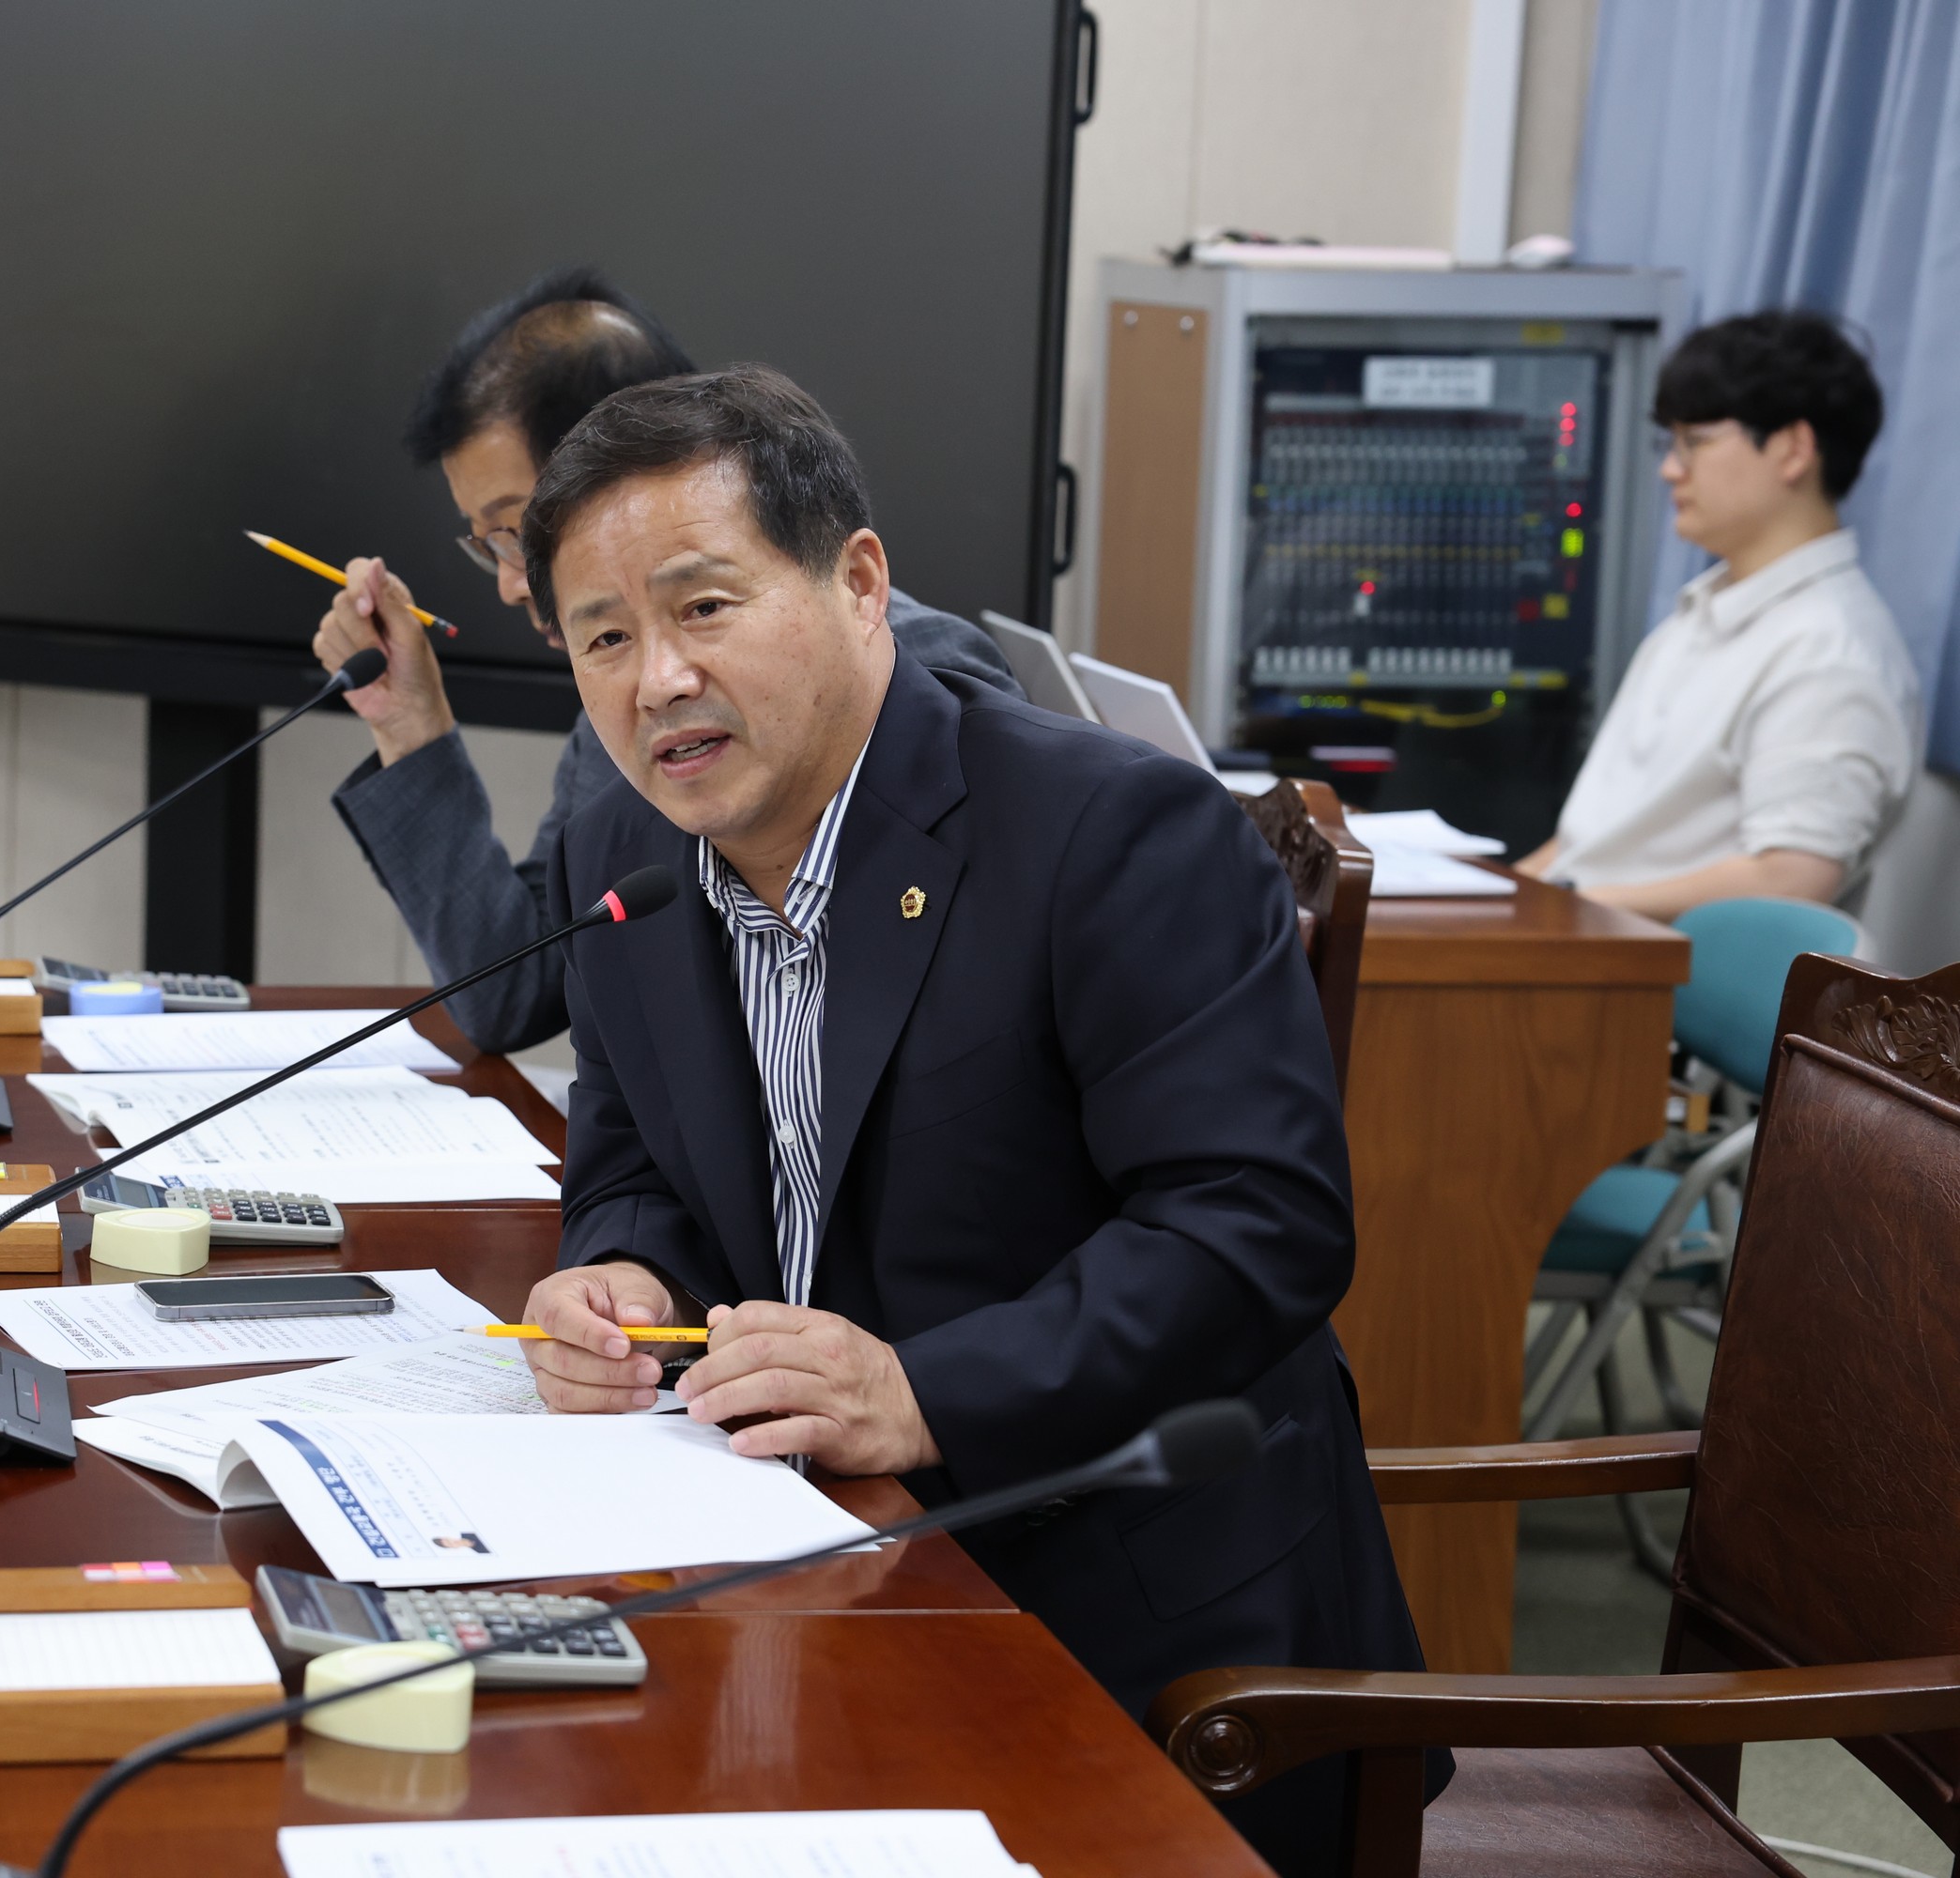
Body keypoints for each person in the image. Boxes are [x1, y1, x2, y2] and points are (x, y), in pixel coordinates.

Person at [513, 365, 1430, 1876]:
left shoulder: (1110, 830)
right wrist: (624, 1272)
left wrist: (922, 1392)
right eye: (604, 638)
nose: (657, 679)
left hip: (1130, 1624)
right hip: (809, 1567)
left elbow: (1255, 1227)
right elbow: (629, 1150)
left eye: (705, 608)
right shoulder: (627, 849)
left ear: (860, 583)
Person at [313, 269, 1017, 1055]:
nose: (512, 583)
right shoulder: (624, 696)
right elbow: (520, 988)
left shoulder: (921, 670)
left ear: (612, 463)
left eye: (515, 531)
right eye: (491, 545)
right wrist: (409, 724)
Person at [1519, 311, 1916, 918]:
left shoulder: (1827, 652)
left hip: (1648, 970)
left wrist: (1570, 908)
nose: (1670, 469)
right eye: (1670, 444)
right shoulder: (1699, 616)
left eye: (1695, 442)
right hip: (1580, 940)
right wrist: (1493, 897)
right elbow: (1586, 847)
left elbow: (1791, 878)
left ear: (1793, 449)